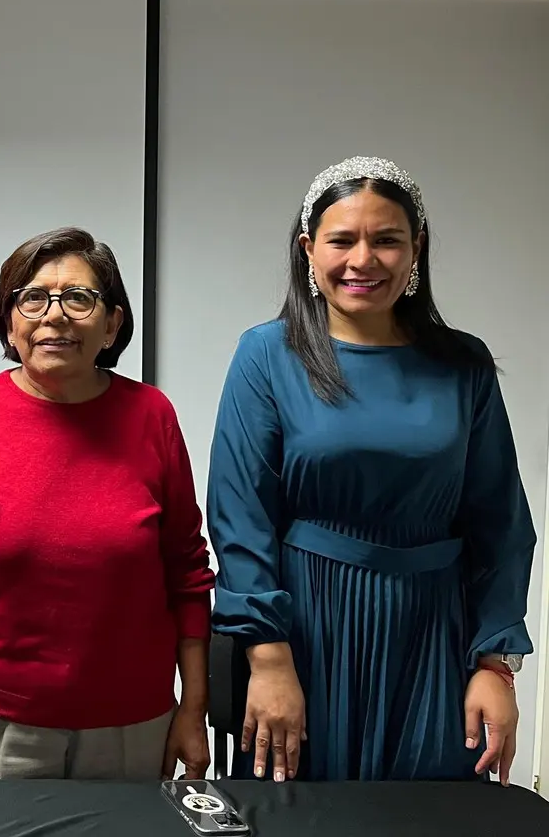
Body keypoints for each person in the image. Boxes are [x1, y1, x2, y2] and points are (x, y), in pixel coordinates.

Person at [206, 156, 536, 786]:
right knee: (296, 813)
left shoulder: (462, 363)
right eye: (341, 240)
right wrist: (270, 661)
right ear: (309, 250)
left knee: (431, 818)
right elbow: (240, 516)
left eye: (387, 239)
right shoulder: (266, 354)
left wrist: (494, 664)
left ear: (417, 250)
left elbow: (501, 521)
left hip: (432, 633)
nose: (364, 260)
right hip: (305, 633)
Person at [0, 227, 215, 781]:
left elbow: (187, 574)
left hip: (131, 724)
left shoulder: (152, 416)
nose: (55, 315)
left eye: (80, 299)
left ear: (112, 323)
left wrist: (194, 710)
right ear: (10, 322)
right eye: (33, 298)